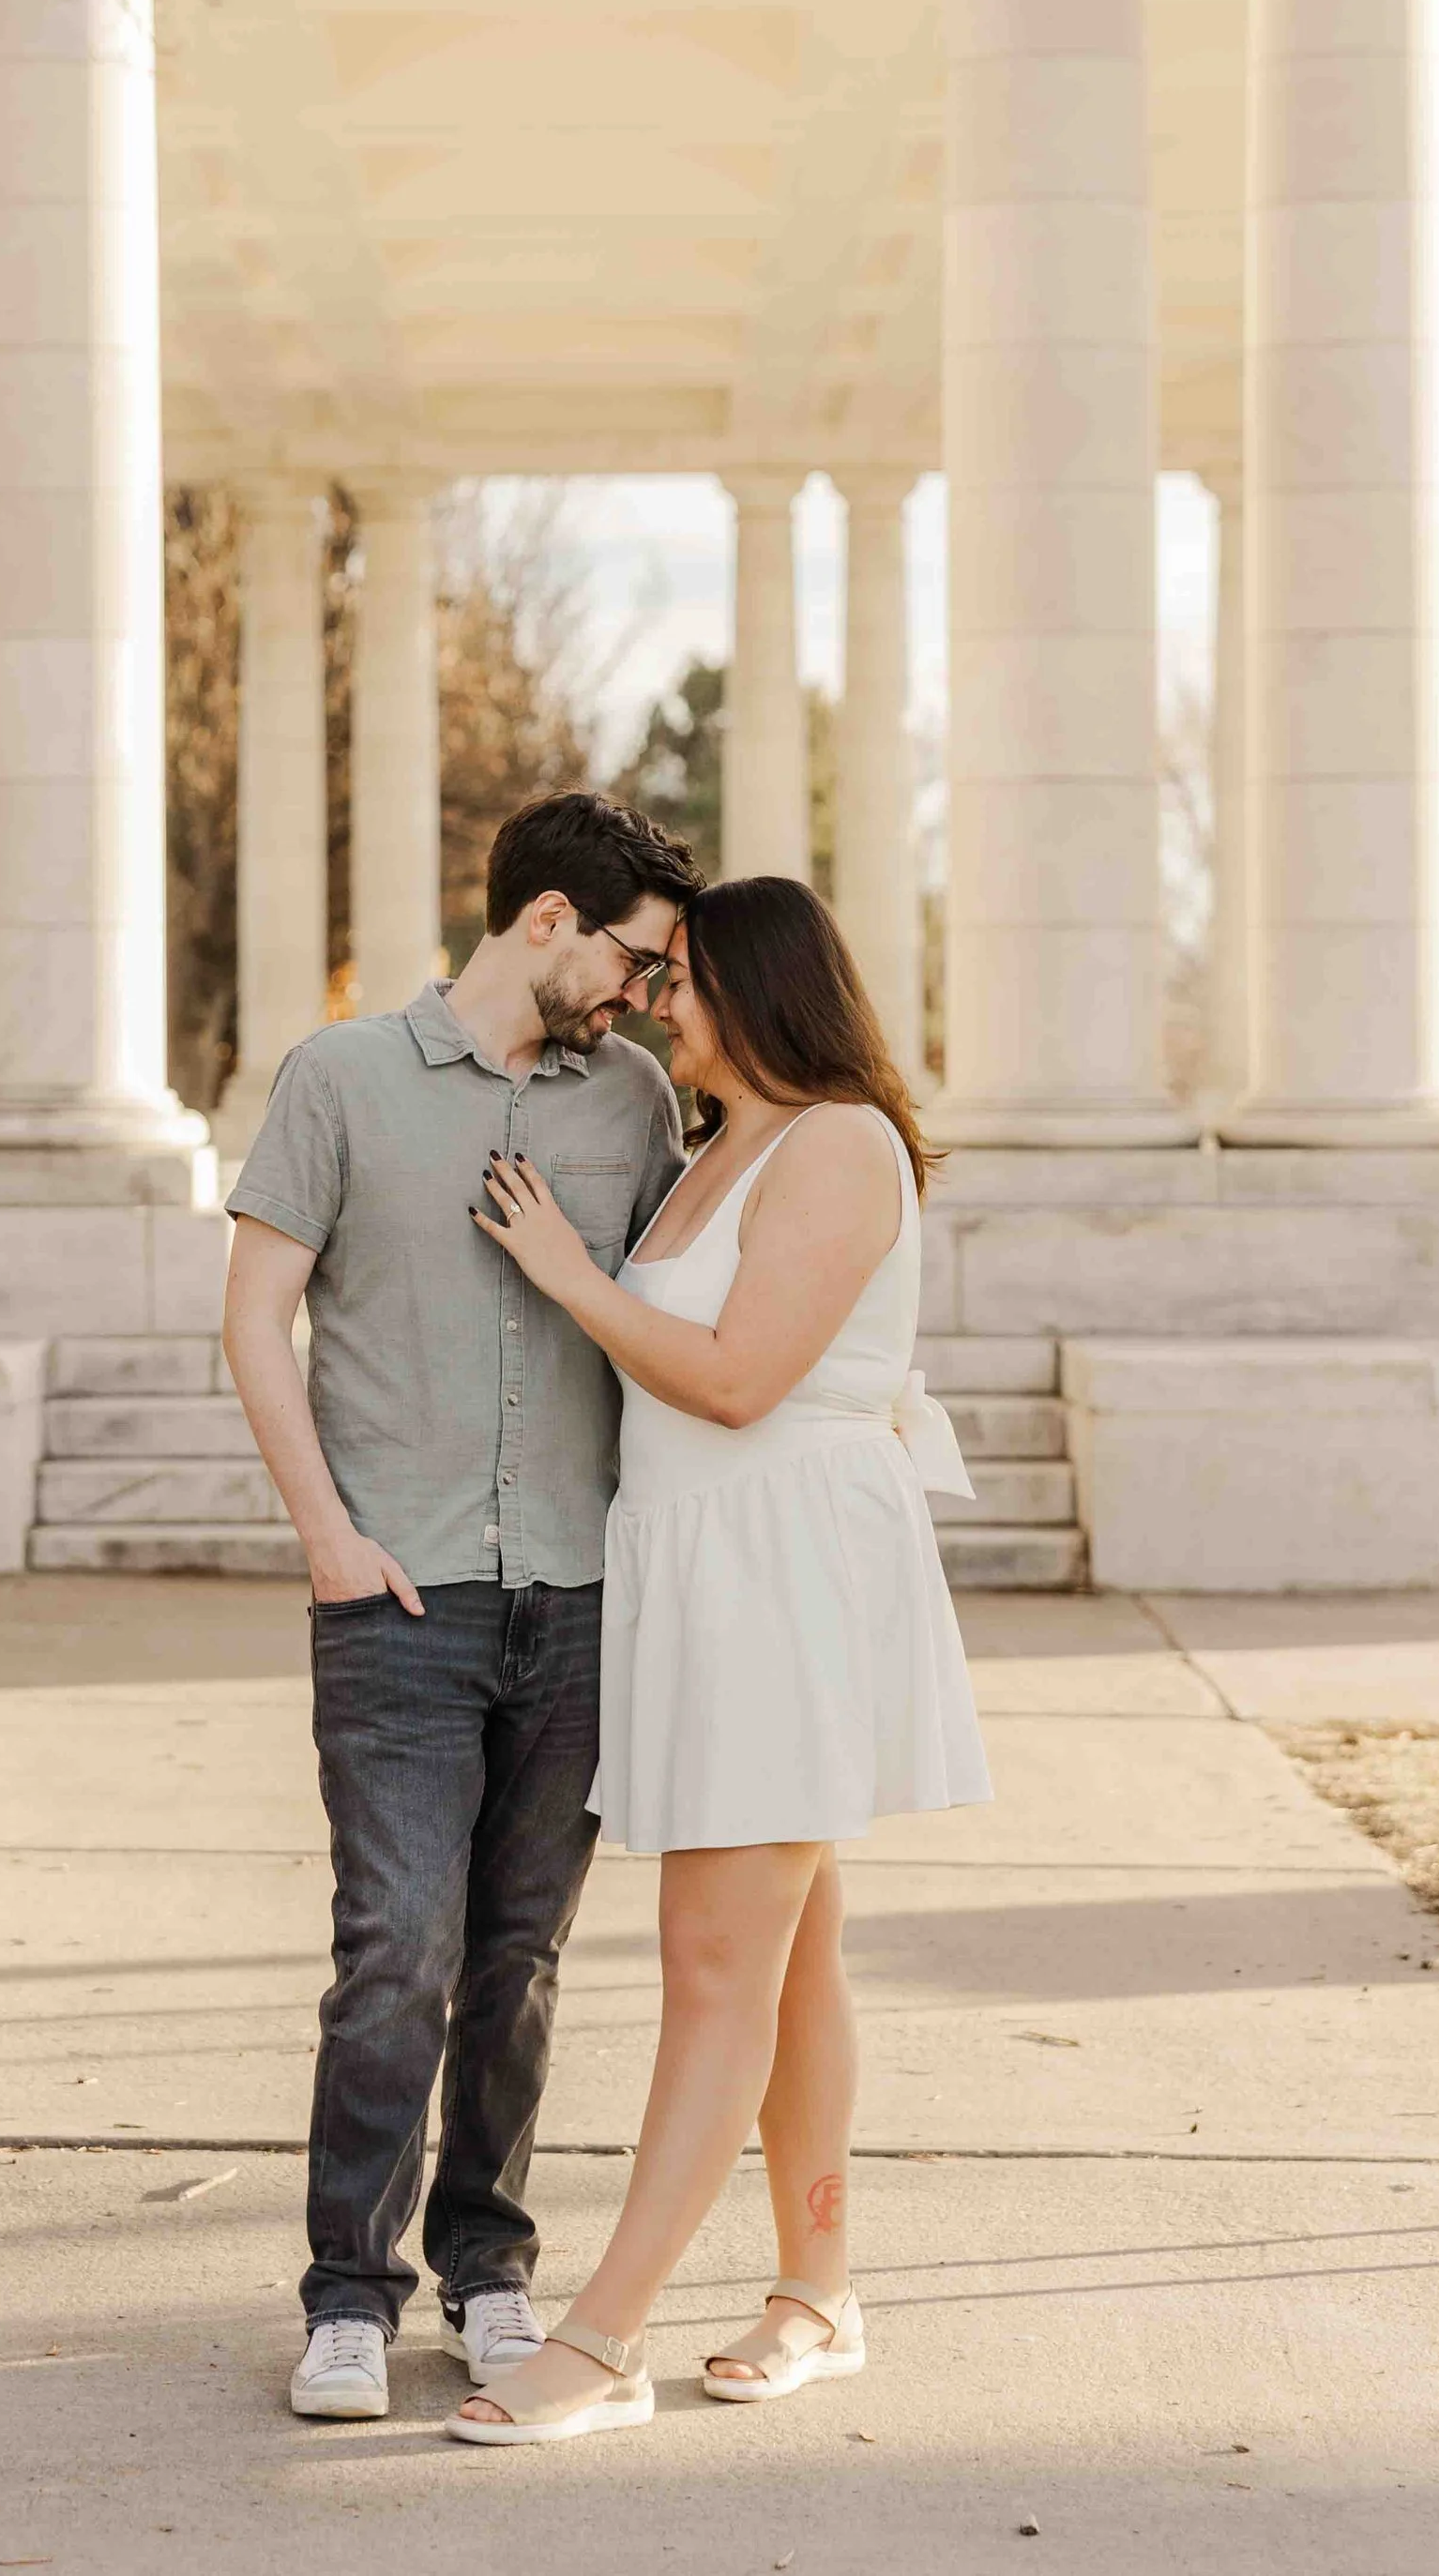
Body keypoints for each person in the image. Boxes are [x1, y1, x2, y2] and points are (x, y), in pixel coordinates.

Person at [444, 872, 991, 2447]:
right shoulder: (711, 1152)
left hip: (785, 1569)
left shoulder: (839, 1141)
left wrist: (568, 1276)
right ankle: (819, 2292)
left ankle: (604, 2338)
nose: (654, 1002)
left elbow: (745, 1378)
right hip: (697, 1567)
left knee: (713, 1961)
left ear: (755, 986)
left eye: (679, 978)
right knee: (789, 1949)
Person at [220, 790, 704, 2423]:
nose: (645, 992)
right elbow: (253, 1316)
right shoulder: (340, 1076)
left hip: (573, 1597)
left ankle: (490, 2269)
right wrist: (325, 1536)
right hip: (398, 1597)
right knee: (394, 1948)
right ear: (550, 920)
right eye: (634, 956)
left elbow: (672, 1314)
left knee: (523, 1956)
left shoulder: (632, 1098)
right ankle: (348, 2296)